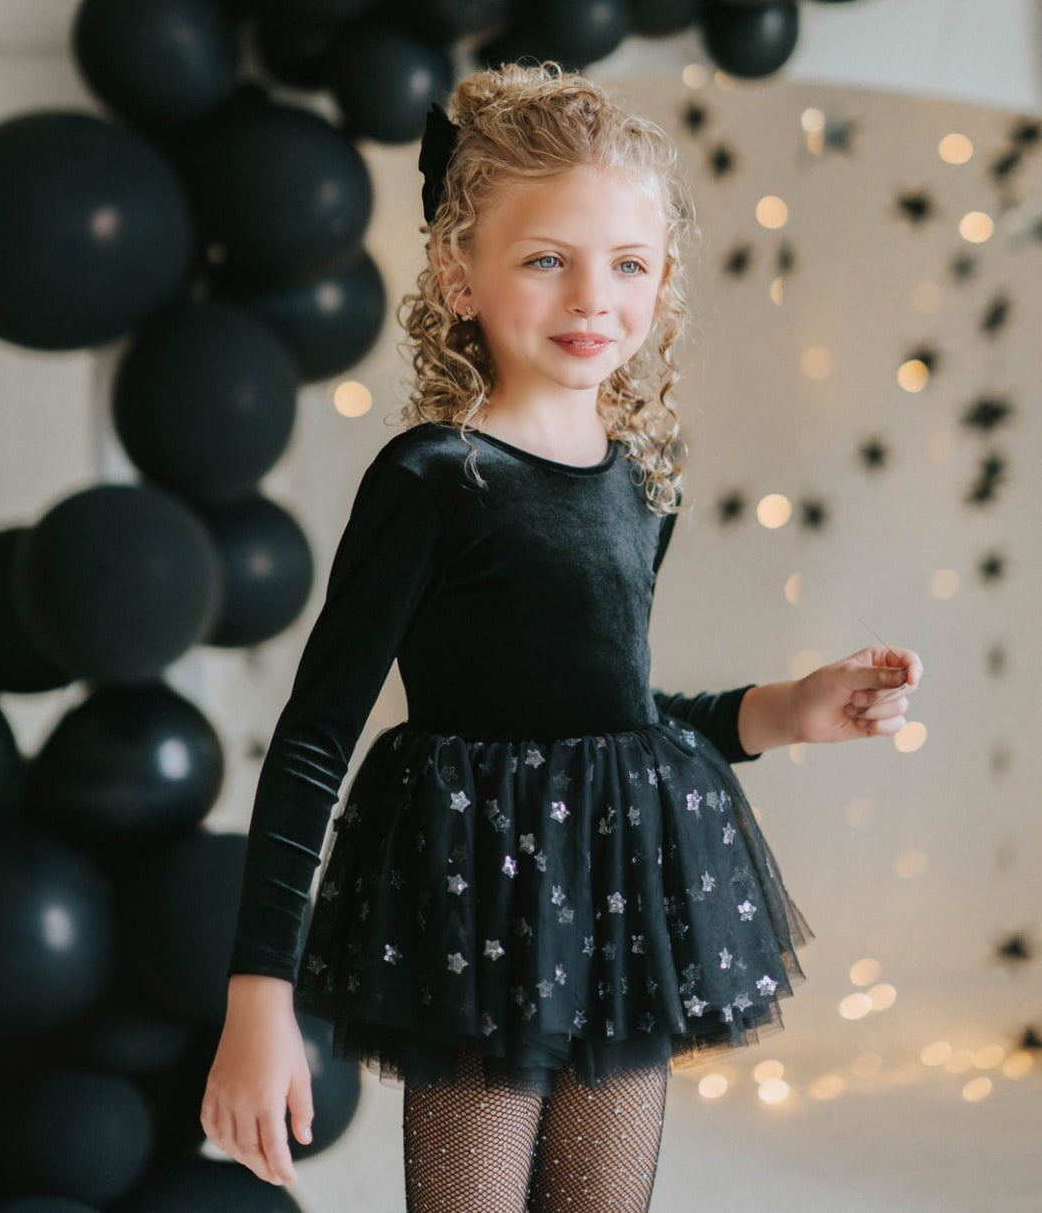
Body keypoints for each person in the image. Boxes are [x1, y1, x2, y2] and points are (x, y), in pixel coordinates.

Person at [201, 60, 923, 1210]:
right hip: (475, 917)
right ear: (458, 277)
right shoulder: (434, 478)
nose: (594, 298)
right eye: (547, 259)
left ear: (663, 281)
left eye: (627, 264)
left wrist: (786, 711)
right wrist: (258, 994)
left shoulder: (644, 486)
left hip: (620, 907)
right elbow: (312, 740)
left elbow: (612, 713)